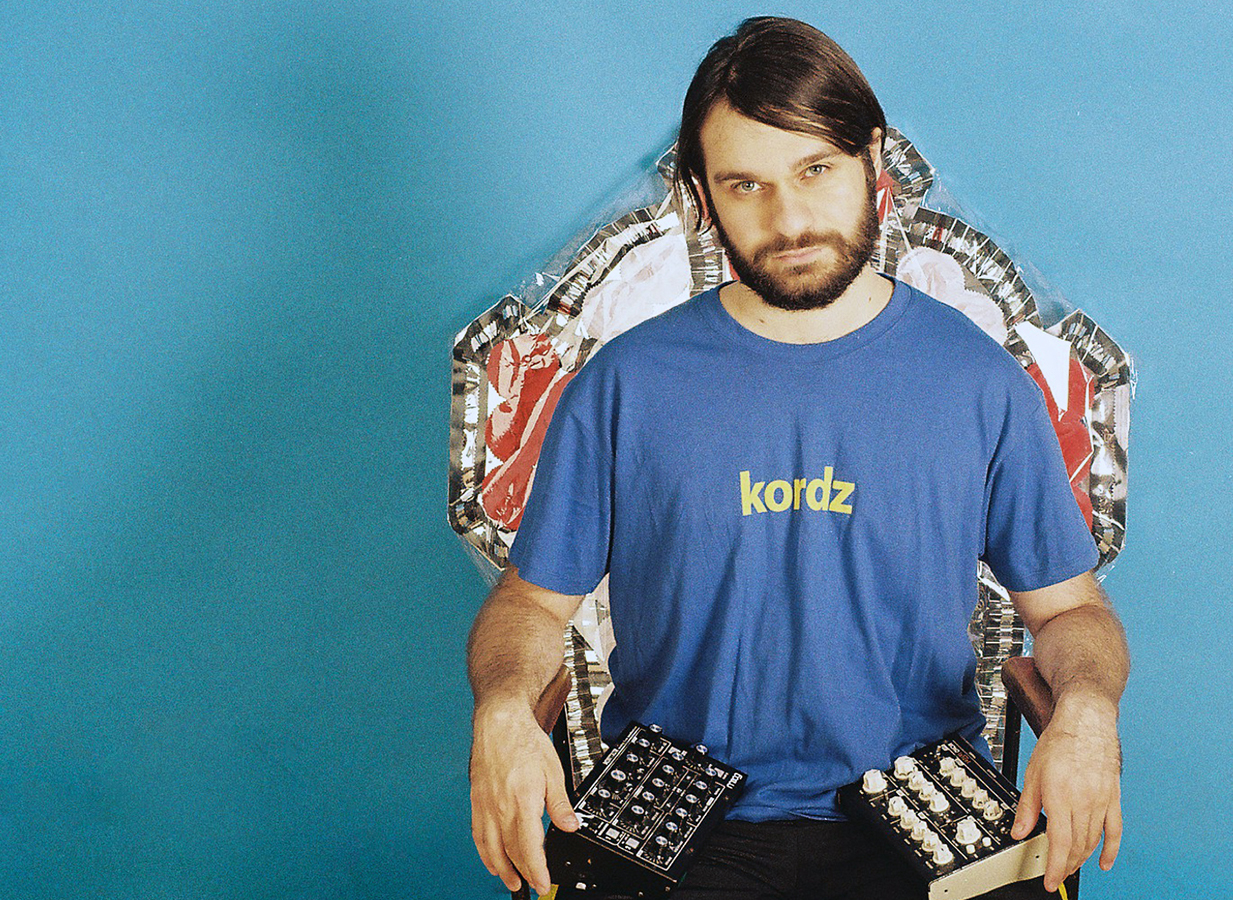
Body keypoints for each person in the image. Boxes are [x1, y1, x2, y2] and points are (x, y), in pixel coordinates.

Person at [467, 16, 1128, 900]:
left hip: (916, 816)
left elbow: (1072, 611)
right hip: (686, 823)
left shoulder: (979, 382)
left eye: (815, 170)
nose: (788, 220)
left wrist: (1085, 710)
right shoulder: (625, 384)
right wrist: (505, 706)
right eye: (746, 185)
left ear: (872, 161)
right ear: (702, 198)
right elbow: (527, 605)